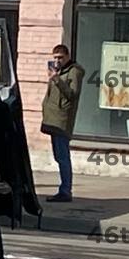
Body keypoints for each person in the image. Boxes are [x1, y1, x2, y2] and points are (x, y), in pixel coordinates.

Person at [41, 43, 85, 203]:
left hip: (62, 119)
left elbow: (72, 94)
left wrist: (57, 79)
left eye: (60, 57)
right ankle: (64, 189)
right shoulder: (58, 72)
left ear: (67, 56)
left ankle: (65, 191)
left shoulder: (74, 71)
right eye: (55, 58)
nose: (57, 61)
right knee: (59, 156)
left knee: (63, 156)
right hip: (53, 118)